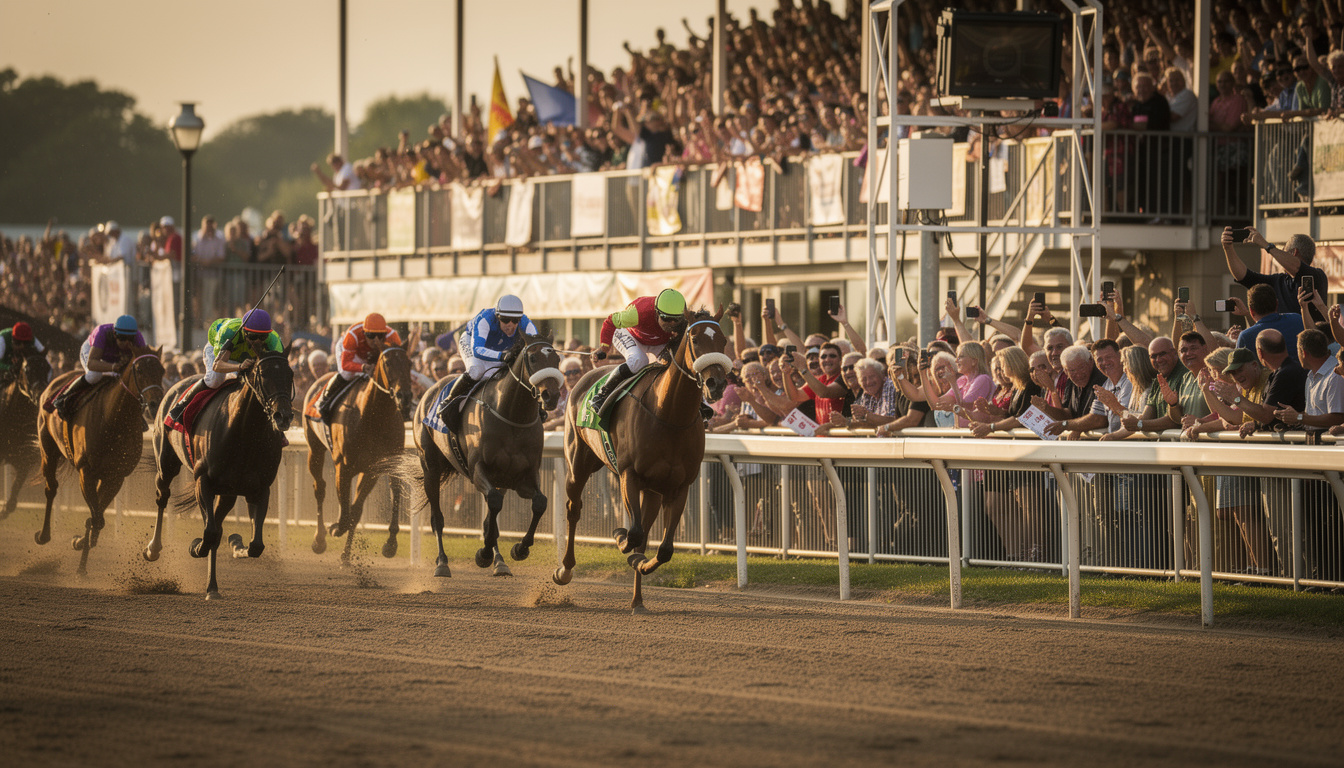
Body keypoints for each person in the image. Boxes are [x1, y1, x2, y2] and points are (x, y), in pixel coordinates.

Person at [438, 295, 539, 430]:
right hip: (471, 342)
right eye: (505, 319)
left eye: (515, 320)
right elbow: (478, 350)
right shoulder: (485, 319)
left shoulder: (525, 322)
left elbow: (536, 344)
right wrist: (502, 356)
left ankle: (538, 406)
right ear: (497, 317)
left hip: (498, 348)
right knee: (477, 371)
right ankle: (448, 401)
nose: (510, 324)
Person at [166, 309, 283, 423]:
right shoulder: (231, 332)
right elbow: (218, 366)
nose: (257, 341)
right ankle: (182, 406)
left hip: (244, 355)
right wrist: (240, 367)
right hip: (219, 352)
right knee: (215, 380)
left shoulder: (273, 340)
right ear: (244, 331)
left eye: (262, 337)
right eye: (253, 336)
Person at [590, 288, 690, 420]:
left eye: (675, 320)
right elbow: (610, 322)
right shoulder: (638, 313)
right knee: (639, 361)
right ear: (656, 313)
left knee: (674, 363)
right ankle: (601, 395)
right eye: (666, 318)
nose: (671, 324)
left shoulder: (683, 321)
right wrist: (604, 348)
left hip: (657, 341)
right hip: (631, 335)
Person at [315, 312, 403, 423]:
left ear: (385, 334)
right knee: (347, 374)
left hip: (372, 354)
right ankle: (324, 401)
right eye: (370, 336)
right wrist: (363, 367)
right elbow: (345, 364)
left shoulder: (392, 336)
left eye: (380, 336)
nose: (375, 340)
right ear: (364, 333)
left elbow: (398, 364)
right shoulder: (353, 335)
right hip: (353, 352)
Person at [52, 315, 145, 419]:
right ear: (114, 334)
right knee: (94, 375)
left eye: (130, 339)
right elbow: (91, 363)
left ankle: (137, 411)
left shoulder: (138, 338)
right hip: (93, 352)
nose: (126, 343)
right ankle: (65, 398)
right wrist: (113, 367)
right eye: (122, 338)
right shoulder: (102, 333)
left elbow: (142, 364)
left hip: (114, 357)